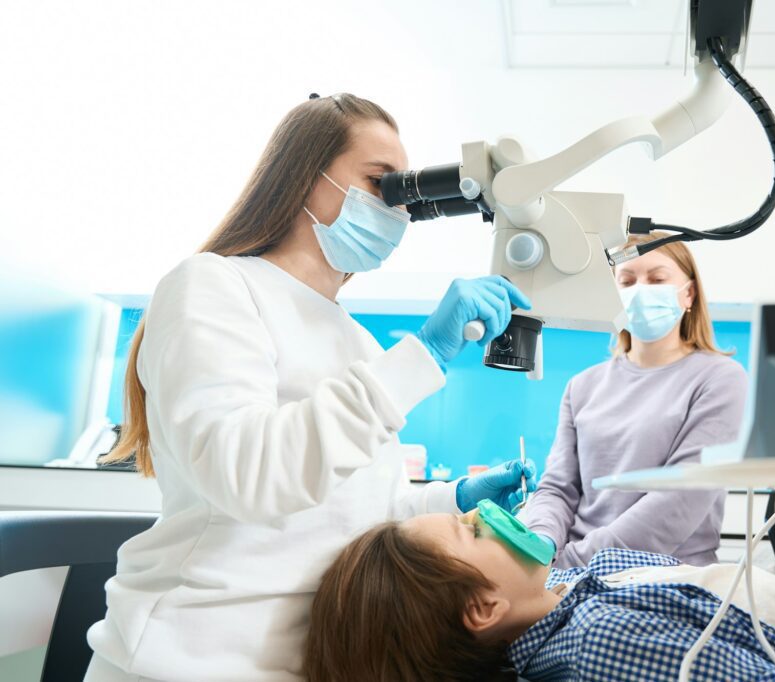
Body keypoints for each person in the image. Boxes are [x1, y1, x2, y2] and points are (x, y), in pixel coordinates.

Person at [83, 93, 538, 682]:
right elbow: (249, 476)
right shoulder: (213, 286)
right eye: (382, 184)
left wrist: (451, 501)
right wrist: (424, 354)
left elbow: (359, 512)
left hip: (310, 659)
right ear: (305, 176)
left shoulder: (356, 340)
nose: (398, 212)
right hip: (190, 654)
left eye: (404, 197)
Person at [305, 511, 775, 682]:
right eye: (472, 528)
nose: (495, 516)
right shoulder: (602, 647)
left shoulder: (567, 594)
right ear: (482, 608)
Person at [518, 233, 747, 568]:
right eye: (626, 281)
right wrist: (537, 545)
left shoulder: (720, 379)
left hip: (665, 577)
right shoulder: (582, 386)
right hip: (569, 572)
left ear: (689, 294)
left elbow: (680, 501)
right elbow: (557, 490)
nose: (640, 290)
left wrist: (570, 563)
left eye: (657, 279)